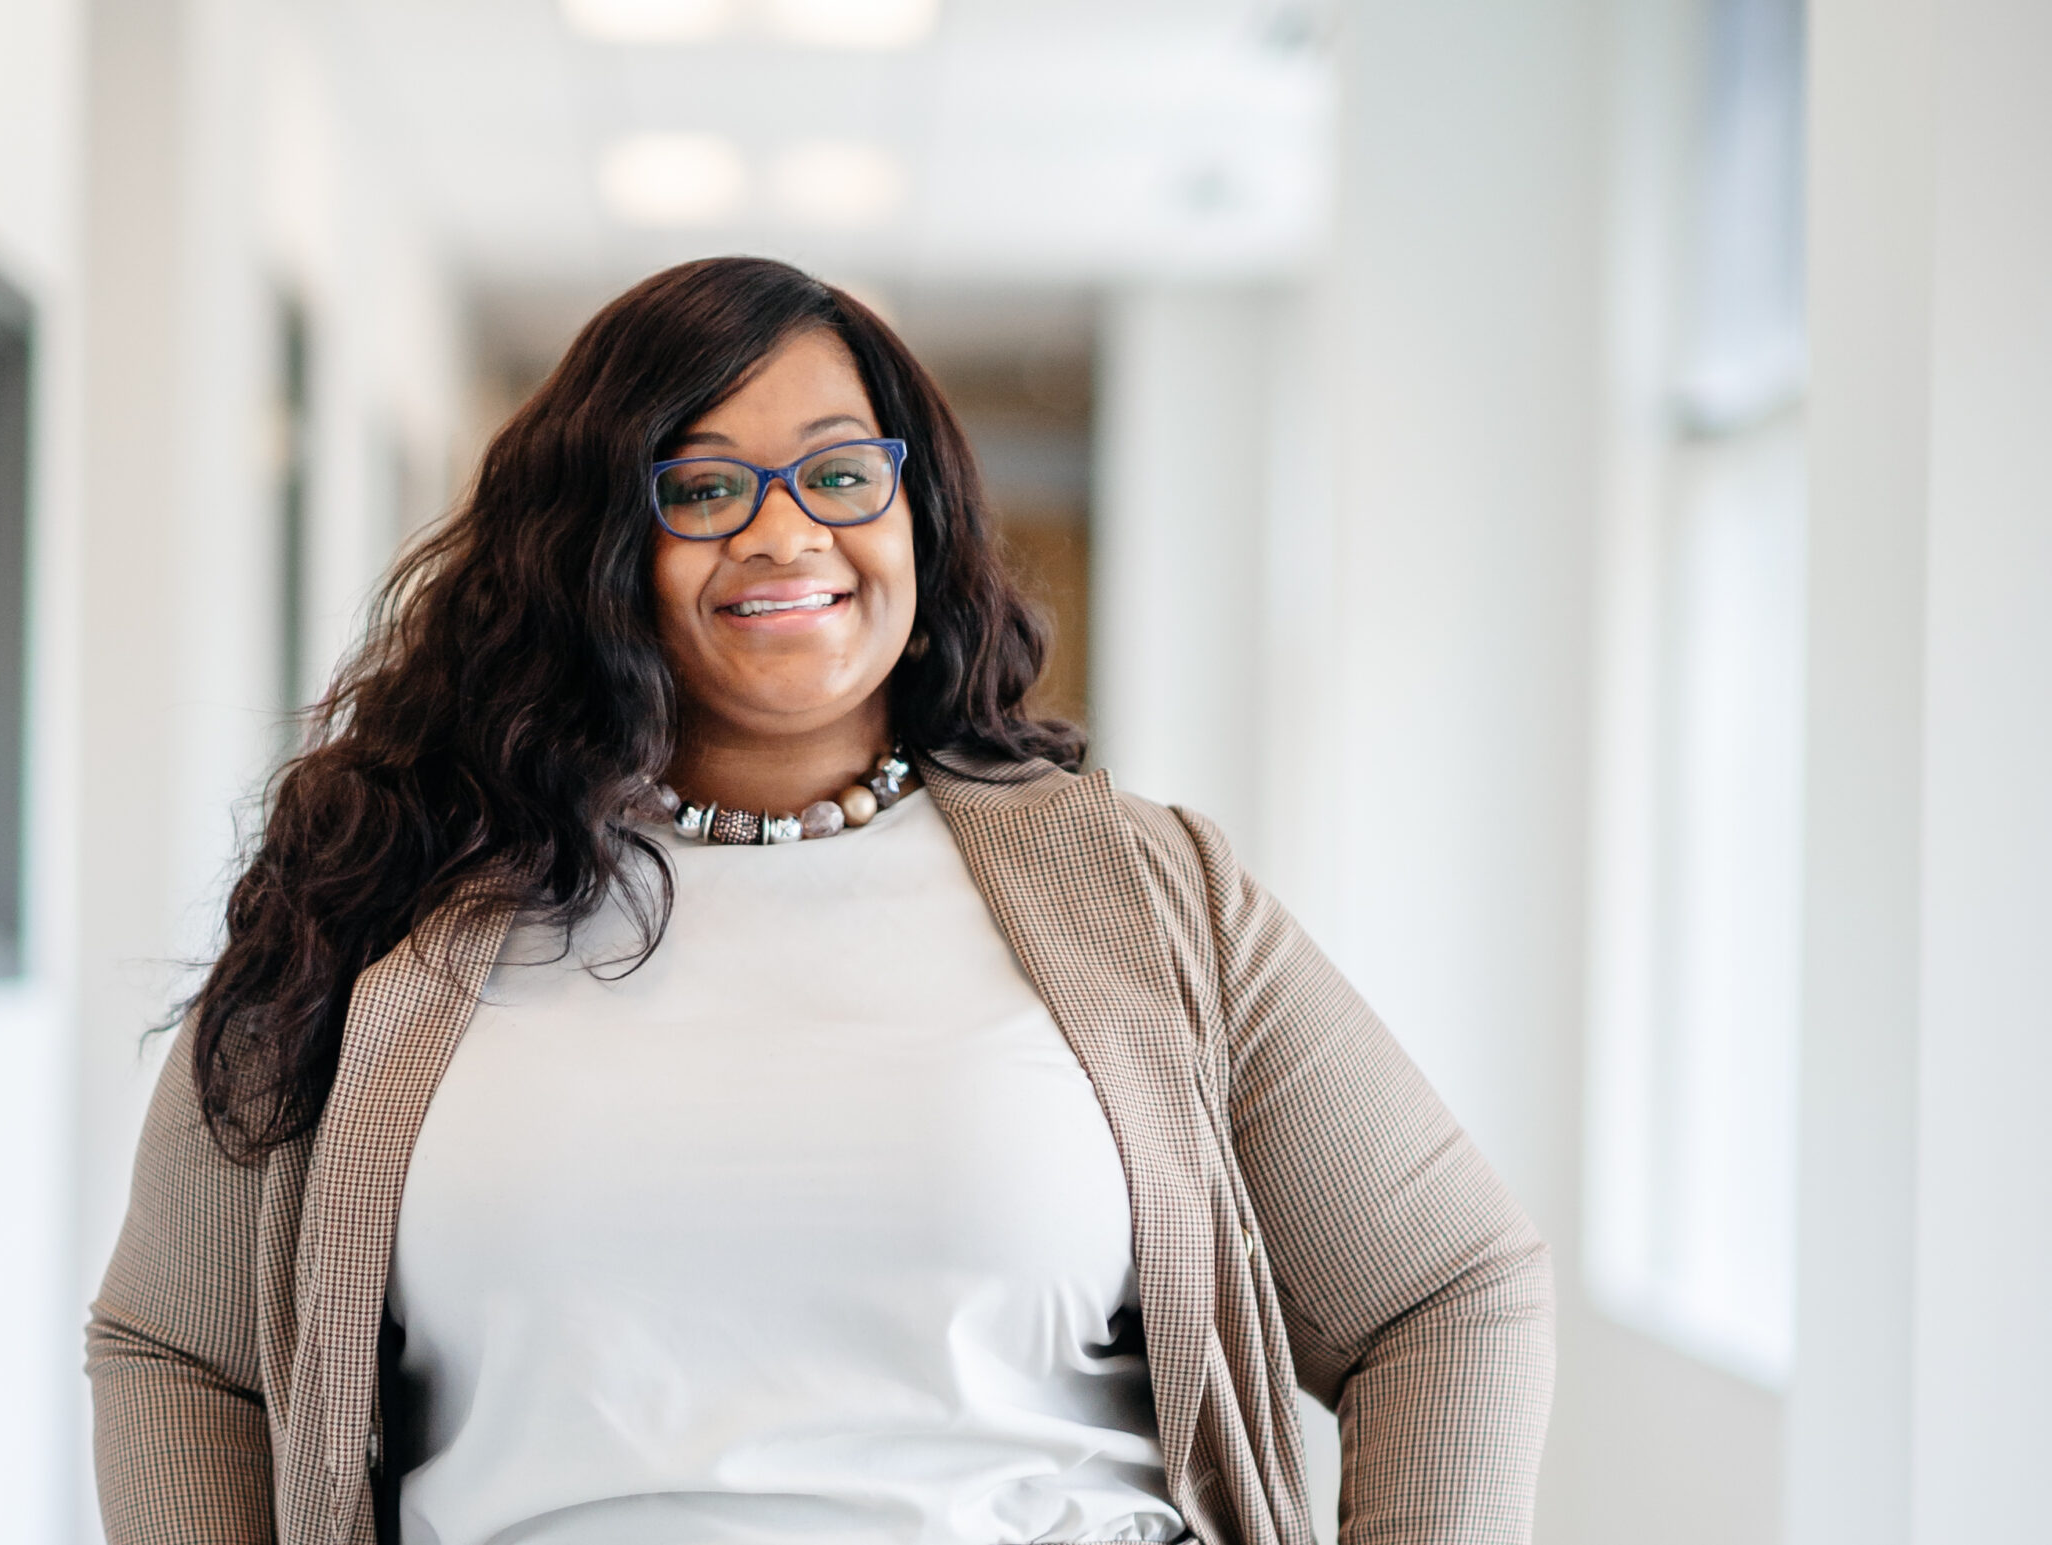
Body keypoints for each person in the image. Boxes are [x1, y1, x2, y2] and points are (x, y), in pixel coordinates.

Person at [87, 256, 1554, 1545]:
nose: (785, 534)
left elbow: (1449, 1289)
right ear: (591, 544)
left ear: (913, 511)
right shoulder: (378, 891)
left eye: (842, 473)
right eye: (704, 485)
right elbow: (178, 1345)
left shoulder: (1147, 889)